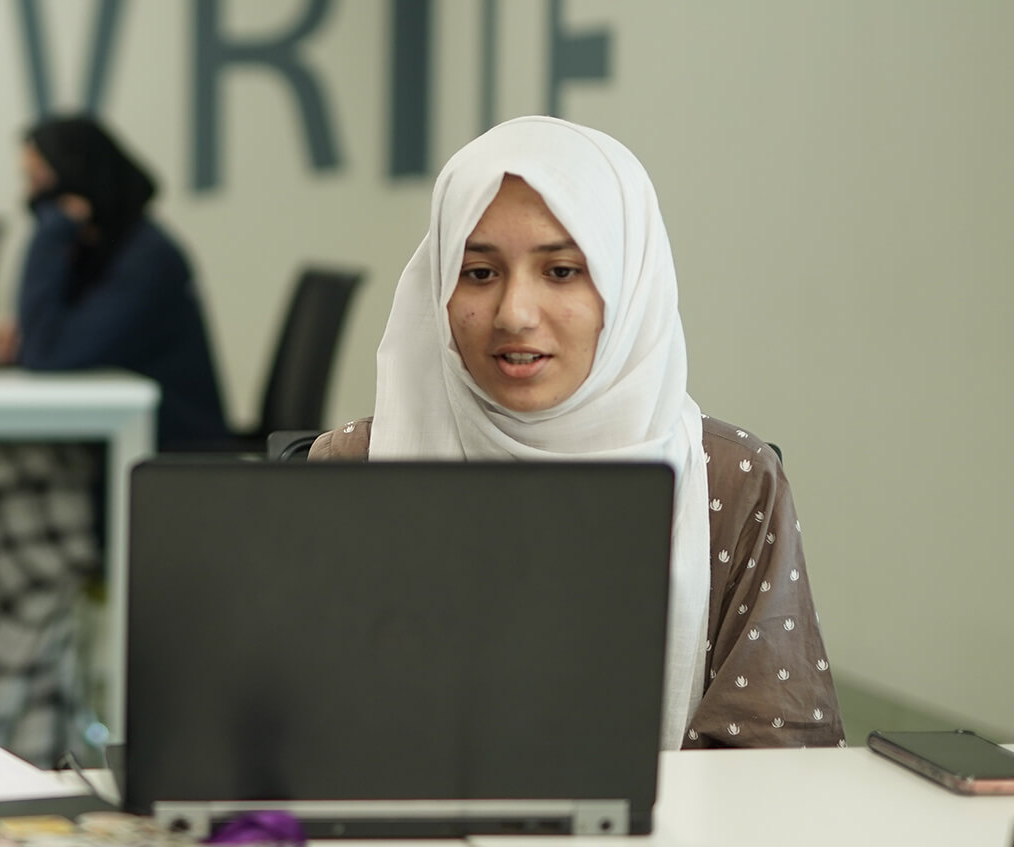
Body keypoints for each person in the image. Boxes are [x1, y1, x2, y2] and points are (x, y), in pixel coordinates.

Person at [308, 116, 843, 750]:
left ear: (626, 284)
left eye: (561, 271)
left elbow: (774, 755)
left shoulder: (728, 482)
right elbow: (285, 724)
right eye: (479, 273)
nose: (514, 314)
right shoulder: (355, 469)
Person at [0, 115, 228, 448]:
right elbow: (49, 342)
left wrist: (51, 233)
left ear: (76, 180)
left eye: (39, 180)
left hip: (167, 457)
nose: (32, 197)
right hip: (121, 440)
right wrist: (26, 334)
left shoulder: (147, 261)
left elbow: (46, 356)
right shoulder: (103, 249)